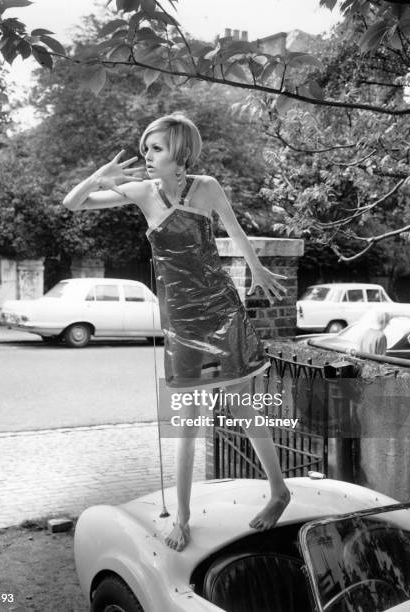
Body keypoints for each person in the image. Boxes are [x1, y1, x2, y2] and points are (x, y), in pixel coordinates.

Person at [63, 113, 290, 552]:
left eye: (157, 148)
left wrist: (257, 268)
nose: (147, 156)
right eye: (146, 147)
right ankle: (182, 518)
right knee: (187, 423)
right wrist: (97, 177)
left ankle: (279, 492)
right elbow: (73, 204)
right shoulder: (141, 193)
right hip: (182, 323)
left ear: (181, 153)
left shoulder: (206, 187)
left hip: (221, 310)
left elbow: (236, 231)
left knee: (242, 408)